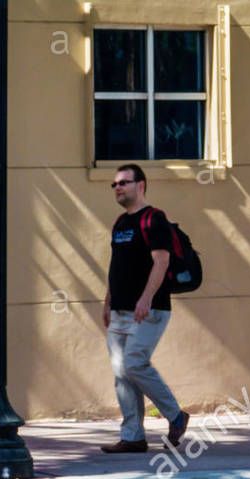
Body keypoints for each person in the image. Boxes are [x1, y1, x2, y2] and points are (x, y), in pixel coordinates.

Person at [100, 163, 190, 453]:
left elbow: (161, 261)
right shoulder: (119, 223)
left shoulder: (154, 219)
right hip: (119, 310)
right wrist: (107, 301)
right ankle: (133, 436)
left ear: (141, 185)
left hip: (150, 309)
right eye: (114, 184)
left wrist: (146, 298)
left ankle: (175, 416)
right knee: (121, 372)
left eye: (123, 182)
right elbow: (116, 266)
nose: (118, 188)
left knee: (135, 362)